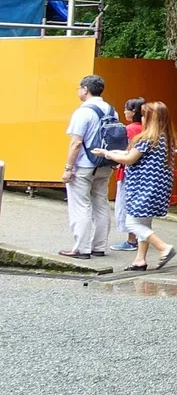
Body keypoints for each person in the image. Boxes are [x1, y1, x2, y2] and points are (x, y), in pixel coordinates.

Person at [102, 101, 177, 271]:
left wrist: (107, 153)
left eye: (144, 115)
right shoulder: (167, 139)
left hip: (143, 188)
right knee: (144, 223)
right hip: (158, 188)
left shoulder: (146, 138)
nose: (141, 118)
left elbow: (129, 159)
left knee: (132, 224)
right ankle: (140, 260)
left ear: (149, 119)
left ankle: (164, 248)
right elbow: (131, 155)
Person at [60, 75, 117, 259]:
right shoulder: (111, 110)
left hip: (85, 165)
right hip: (105, 163)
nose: (78, 91)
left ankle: (81, 248)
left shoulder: (83, 112)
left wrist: (69, 168)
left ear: (85, 89)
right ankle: (99, 246)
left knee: (81, 205)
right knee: (101, 204)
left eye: (79, 88)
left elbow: (76, 143)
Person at [109, 97, 146, 252]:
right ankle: (139, 238)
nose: (124, 111)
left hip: (128, 173)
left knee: (126, 206)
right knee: (139, 208)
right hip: (143, 175)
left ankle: (131, 240)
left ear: (133, 112)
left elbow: (125, 153)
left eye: (126, 109)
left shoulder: (129, 129)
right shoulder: (148, 129)